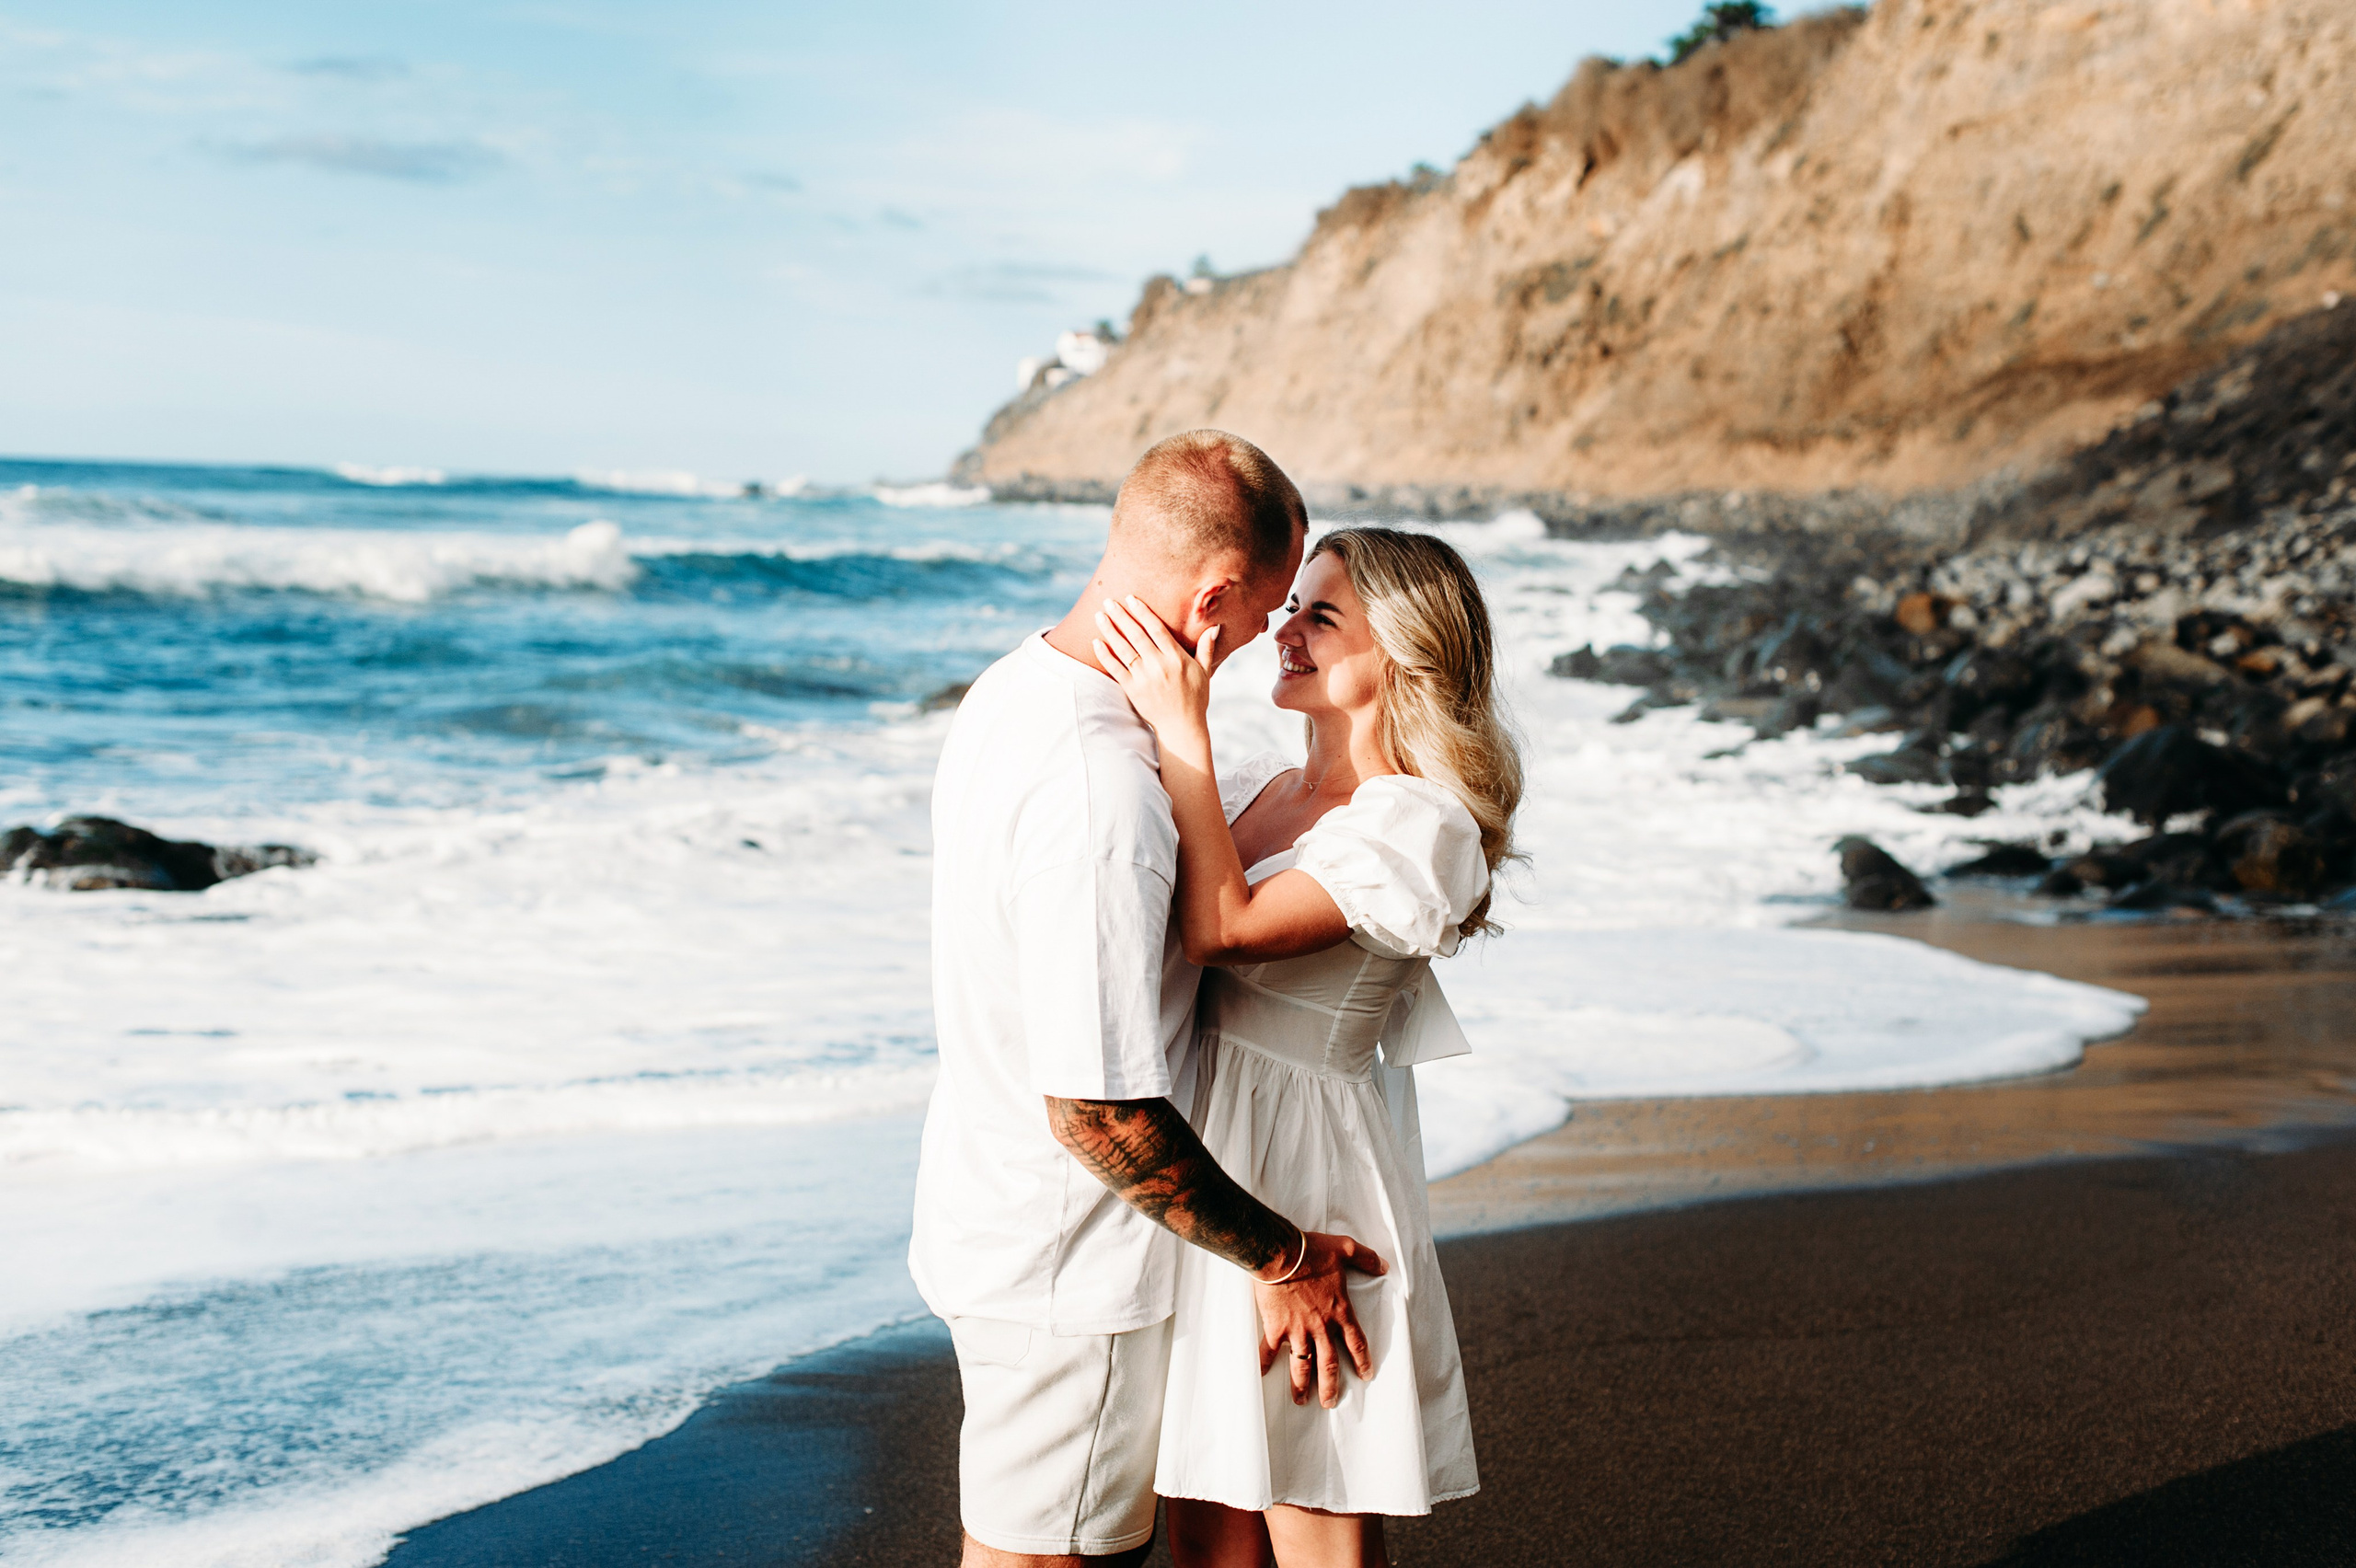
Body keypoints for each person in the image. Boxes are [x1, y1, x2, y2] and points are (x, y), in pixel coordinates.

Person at [909, 430, 1390, 1568]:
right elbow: (1097, 1111)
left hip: (989, 1211)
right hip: (1071, 1273)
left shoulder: (1015, 688)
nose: (1266, 636)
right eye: (1264, 609)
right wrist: (1284, 1257)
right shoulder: (1103, 796)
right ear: (1212, 597)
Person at [1091, 525, 1521, 1568]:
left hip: (1305, 1175)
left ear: (1406, 653)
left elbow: (1222, 931)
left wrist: (1180, 725)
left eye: (1321, 616)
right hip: (1204, 1161)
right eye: (1291, 607)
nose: (1286, 630)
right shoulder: (1253, 786)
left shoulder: (1417, 825)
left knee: (1313, 1511)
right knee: (1207, 1518)